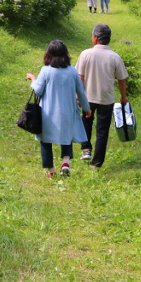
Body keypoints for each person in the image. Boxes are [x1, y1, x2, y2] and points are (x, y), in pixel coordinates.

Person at [26, 40, 91, 179]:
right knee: (66, 138)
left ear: (48, 54)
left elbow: (38, 90)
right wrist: (86, 108)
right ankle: (65, 163)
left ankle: (51, 170)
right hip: (68, 111)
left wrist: (32, 79)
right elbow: (81, 92)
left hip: (47, 113)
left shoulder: (46, 70)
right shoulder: (72, 70)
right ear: (65, 54)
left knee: (45, 141)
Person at [76, 23, 129, 168]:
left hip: (88, 97)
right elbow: (122, 80)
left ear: (96, 38)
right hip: (106, 99)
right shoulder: (115, 57)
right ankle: (96, 163)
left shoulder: (85, 54)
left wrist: (77, 95)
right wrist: (123, 97)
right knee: (102, 131)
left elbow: (80, 77)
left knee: (86, 122)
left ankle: (86, 149)